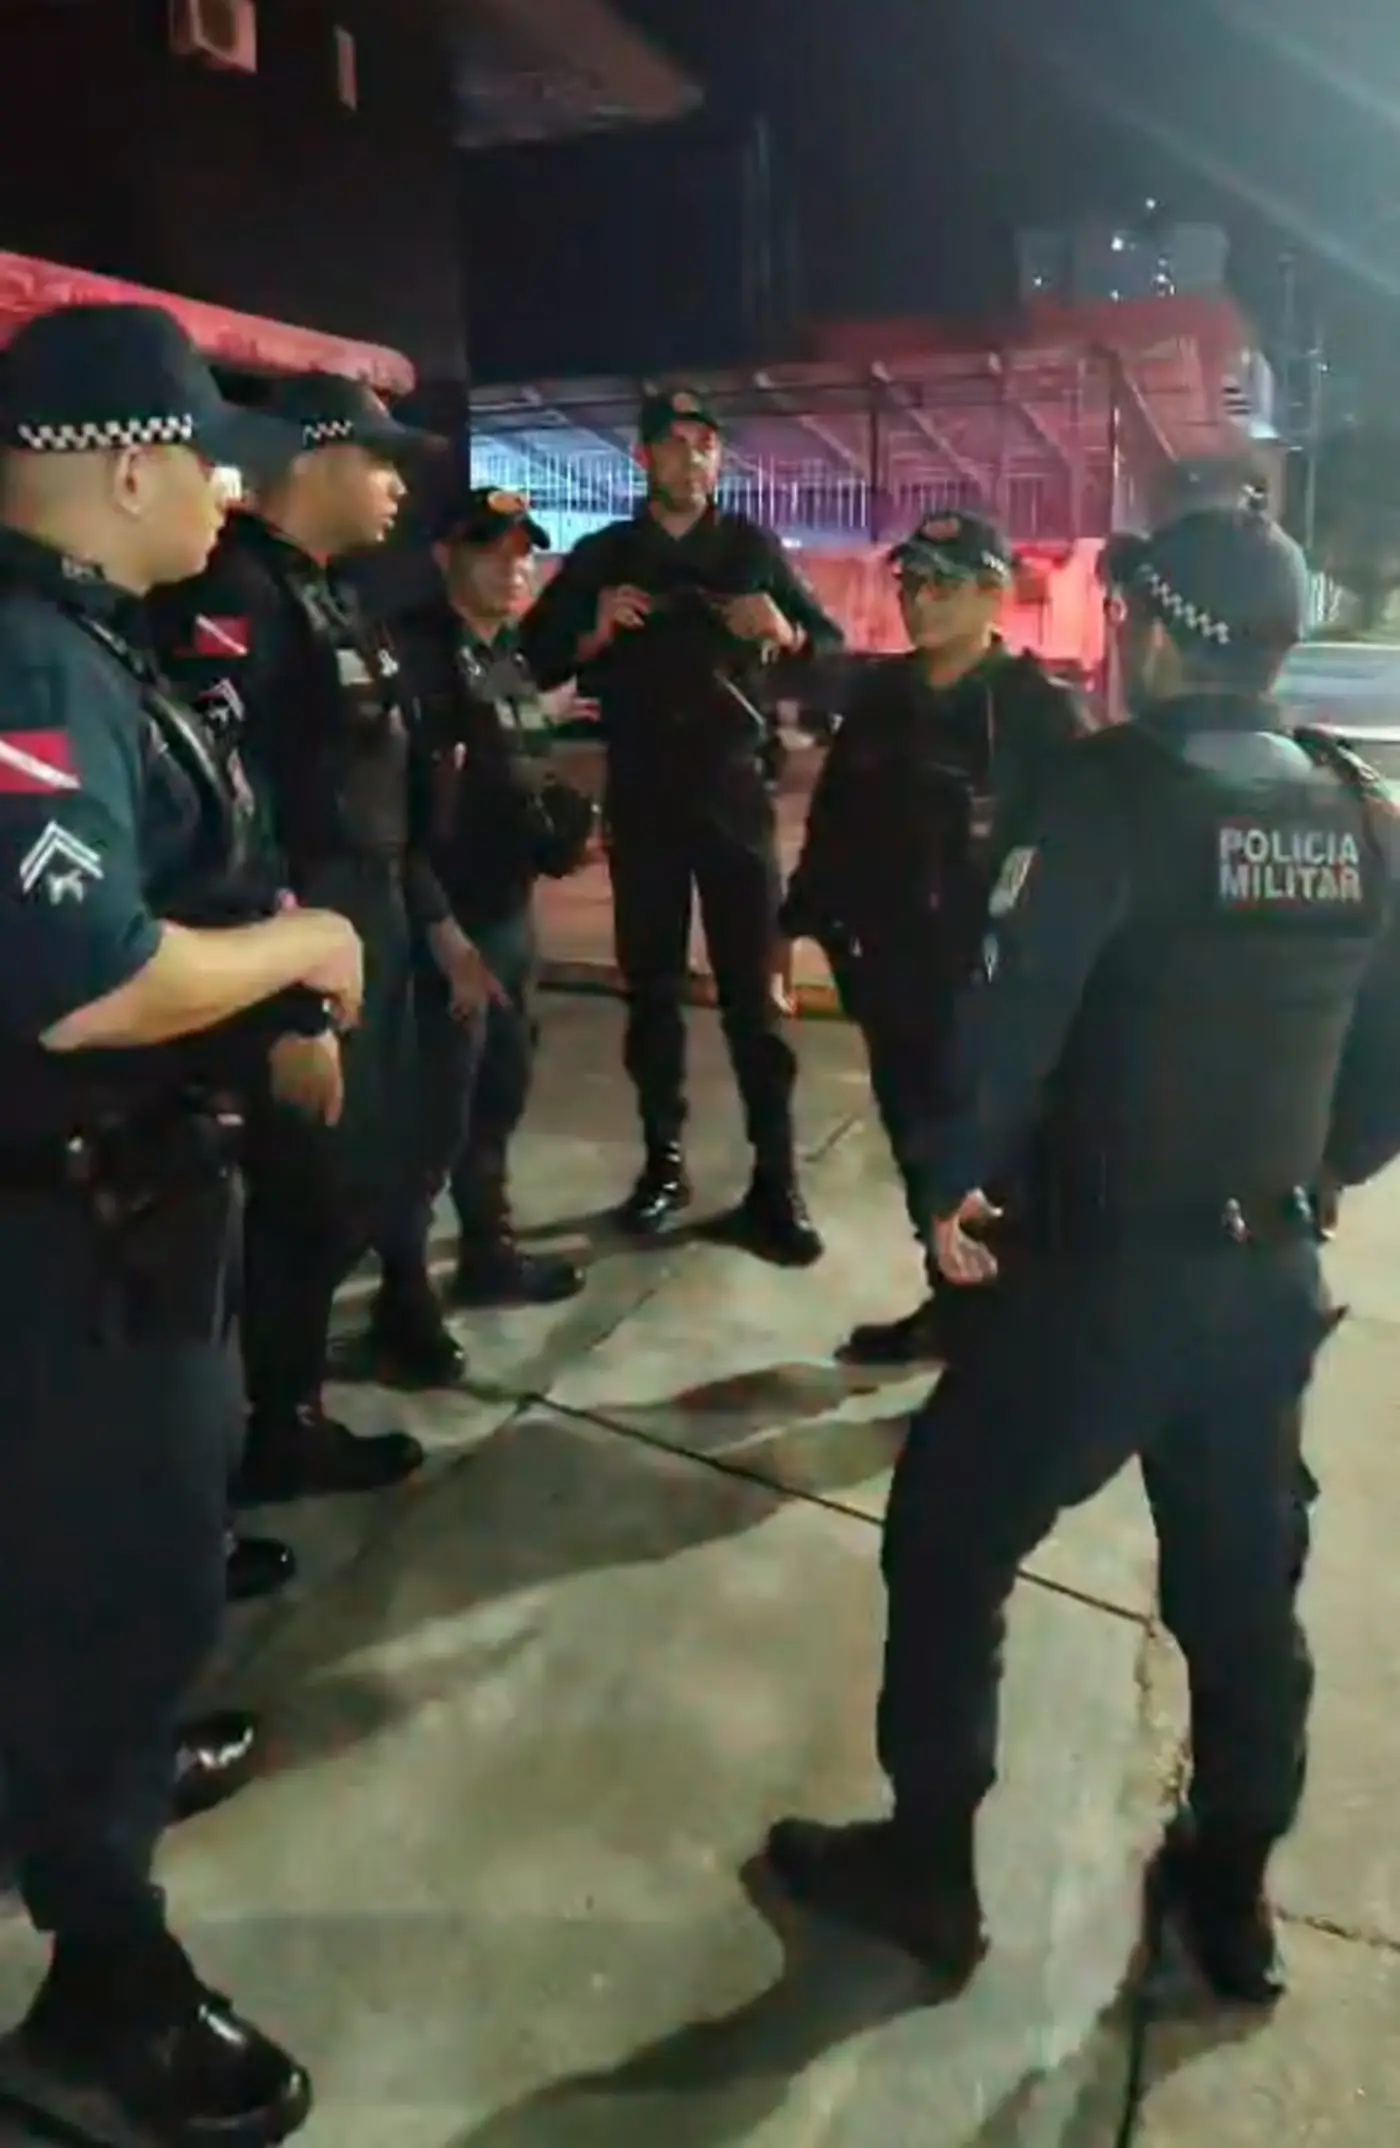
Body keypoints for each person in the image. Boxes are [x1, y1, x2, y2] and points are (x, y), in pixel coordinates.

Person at [763, 499, 1400, 2010]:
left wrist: (951, 1184)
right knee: (1241, 1595)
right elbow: (1389, 1064)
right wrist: (1312, 1175)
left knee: (947, 1538)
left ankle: (927, 1869)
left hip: (1100, 1283)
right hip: (1266, 1284)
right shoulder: (1354, 809)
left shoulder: (1108, 796)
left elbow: (1008, 1020)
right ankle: (1227, 1892)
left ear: (1158, 635)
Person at [0, 300, 358, 2142]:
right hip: (72, 1240)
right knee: (119, 1588)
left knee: (114, 1578)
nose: (231, 489)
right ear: (127, 469)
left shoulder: (84, 645)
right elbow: (85, 981)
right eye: (210, 457)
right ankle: (102, 1981)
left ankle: (95, 1770)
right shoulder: (31, 660)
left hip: (123, 1219)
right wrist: (305, 951)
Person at [151, 374, 486, 1499]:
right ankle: (265, 1432)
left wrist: (426, 923)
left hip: (364, 922)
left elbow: (375, 785)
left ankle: (286, 1409)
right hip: (294, 942)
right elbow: (227, 816)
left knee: (346, 1186)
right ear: (313, 456)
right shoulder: (235, 596)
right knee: (297, 1197)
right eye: (378, 459)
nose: (396, 484)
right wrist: (290, 1004)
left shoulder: (327, 596)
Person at [518, 388, 844, 1264]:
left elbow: (832, 653)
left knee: (755, 998)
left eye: (706, 445)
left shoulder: (751, 550)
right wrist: (591, 633)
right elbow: (528, 658)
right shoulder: (605, 556)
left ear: (718, 460)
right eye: (674, 443)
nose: (692, 458)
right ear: (644, 457)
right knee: (651, 991)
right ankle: (663, 1163)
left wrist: (786, 632)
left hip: (734, 796)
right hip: (645, 796)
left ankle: (776, 1179)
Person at [779, 511, 1090, 1363]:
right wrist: (794, 924)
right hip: (892, 976)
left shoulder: (1040, 714)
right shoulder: (883, 698)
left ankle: (1011, 1338)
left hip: (995, 991)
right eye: (910, 583)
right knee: (921, 1150)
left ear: (995, 594)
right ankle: (953, 1303)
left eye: (943, 586)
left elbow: (1084, 859)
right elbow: (834, 821)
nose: (919, 602)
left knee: (997, 1165)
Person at [378, 484, 595, 1310]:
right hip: (441, 924)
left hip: (506, 913)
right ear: (444, 556)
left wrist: (559, 831)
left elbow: (515, 774)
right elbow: (391, 817)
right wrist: (443, 935)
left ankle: (487, 1251)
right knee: (428, 1119)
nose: (514, 568)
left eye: (523, 552)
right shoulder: (410, 659)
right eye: (491, 552)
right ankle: (403, 1296)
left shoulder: (504, 653)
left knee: (498, 1095)